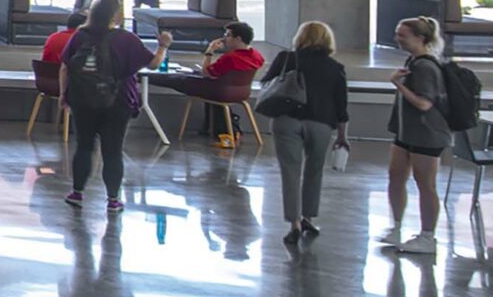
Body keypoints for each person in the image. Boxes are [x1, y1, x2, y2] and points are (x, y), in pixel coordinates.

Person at [60, 0, 170, 211]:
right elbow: (154, 65)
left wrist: (65, 96)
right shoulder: (126, 39)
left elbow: (65, 67)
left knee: (83, 146)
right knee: (112, 150)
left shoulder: (80, 36)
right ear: (117, 16)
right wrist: (163, 46)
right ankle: (112, 199)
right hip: (118, 101)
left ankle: (77, 193)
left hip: (82, 100)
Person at [258, 18, 351, 245]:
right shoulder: (335, 68)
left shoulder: (286, 59)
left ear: (300, 38)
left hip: (286, 120)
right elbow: (342, 106)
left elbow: (266, 84)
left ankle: (294, 223)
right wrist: (342, 135)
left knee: (289, 172)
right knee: (314, 171)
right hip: (321, 123)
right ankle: (308, 217)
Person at [382, 14, 452, 257]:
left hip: (427, 134)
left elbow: (424, 103)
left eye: (403, 35)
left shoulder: (425, 66)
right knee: (396, 175)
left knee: (425, 184)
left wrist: (398, 85)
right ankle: (397, 225)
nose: (397, 38)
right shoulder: (412, 61)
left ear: (420, 38)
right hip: (406, 132)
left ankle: (427, 236)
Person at [150, 19, 264, 147]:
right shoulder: (257, 56)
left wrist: (209, 51)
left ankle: (145, 77)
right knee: (190, 74)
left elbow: (205, 72)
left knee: (178, 79)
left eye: (228, 35)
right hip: (241, 92)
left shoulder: (230, 58)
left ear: (238, 38)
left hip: (219, 91)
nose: (224, 38)